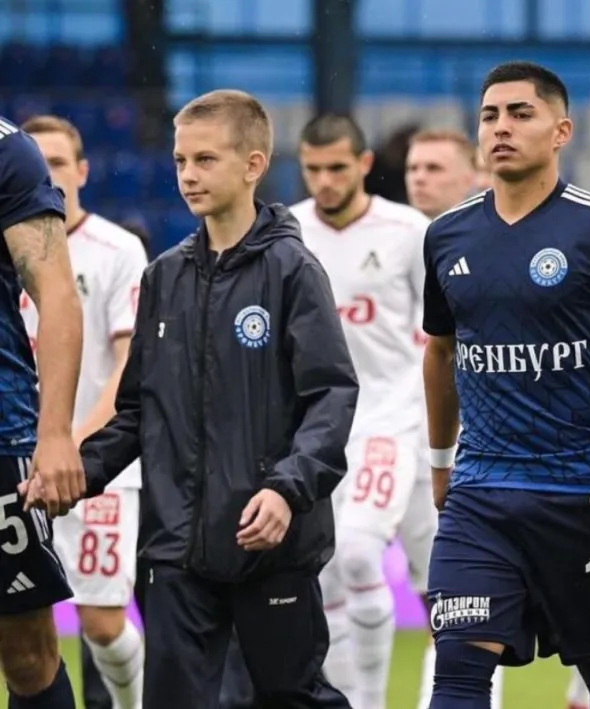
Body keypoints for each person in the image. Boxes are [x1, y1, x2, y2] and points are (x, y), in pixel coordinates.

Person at [25, 89, 360, 708]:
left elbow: (331, 398)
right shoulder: (164, 276)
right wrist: (77, 475)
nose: (187, 175)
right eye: (180, 161)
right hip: (175, 548)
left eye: (205, 160)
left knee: (292, 697)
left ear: (253, 165)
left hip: (269, 540)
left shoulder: (293, 270)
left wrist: (288, 489)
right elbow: (136, 412)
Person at [422, 60, 590, 709]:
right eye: (489, 115)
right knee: (456, 669)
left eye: (519, 113)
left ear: (561, 130)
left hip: (583, 493)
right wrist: (442, 460)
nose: (500, 127)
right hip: (480, 494)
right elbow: (441, 352)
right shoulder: (447, 236)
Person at [290, 112, 434, 709]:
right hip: (316, 429)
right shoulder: (287, 232)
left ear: (365, 164)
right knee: (323, 578)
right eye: (313, 169)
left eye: (337, 168)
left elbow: (441, 335)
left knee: (355, 549)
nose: (324, 181)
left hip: (390, 420)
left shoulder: (409, 231)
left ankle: (371, 700)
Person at [19, 115, 148, 709]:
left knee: (100, 623)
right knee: (20, 626)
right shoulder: (9, 248)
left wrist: (72, 441)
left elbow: (127, 366)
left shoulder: (120, 250)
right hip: (15, 462)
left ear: (84, 171)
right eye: (37, 163)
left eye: (60, 163)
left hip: (94, 463)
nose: (49, 176)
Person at [404, 127, 507, 709]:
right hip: (399, 441)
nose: (419, 177)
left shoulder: (494, 239)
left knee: (473, 606)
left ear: (473, 174)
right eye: (414, 167)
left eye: (435, 168)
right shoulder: (397, 237)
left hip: (486, 450)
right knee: (447, 605)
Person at [0, 114, 83, 709]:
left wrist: (54, 435)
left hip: (1, 437)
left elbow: (56, 294)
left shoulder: (8, 152)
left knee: (27, 655)